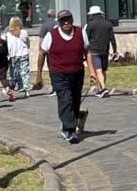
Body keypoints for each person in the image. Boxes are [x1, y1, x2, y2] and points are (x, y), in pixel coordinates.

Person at [35, 8, 95, 143]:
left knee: (74, 100)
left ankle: (67, 124)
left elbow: (87, 52)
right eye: (63, 20)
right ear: (59, 22)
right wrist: (39, 75)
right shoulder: (52, 35)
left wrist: (92, 71)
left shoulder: (81, 33)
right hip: (58, 73)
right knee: (65, 99)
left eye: (68, 19)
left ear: (72, 20)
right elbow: (42, 54)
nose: (66, 23)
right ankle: (70, 130)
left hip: (77, 72)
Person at [84, 4, 118, 97]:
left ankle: (103, 88)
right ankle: (101, 88)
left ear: (92, 15)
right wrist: (115, 50)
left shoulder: (90, 25)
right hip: (105, 50)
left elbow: (85, 38)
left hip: (94, 50)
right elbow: (112, 38)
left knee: (98, 70)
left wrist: (84, 52)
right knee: (103, 70)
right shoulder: (108, 24)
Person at [6, 16, 32, 97]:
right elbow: (28, 43)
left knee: (14, 72)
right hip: (23, 53)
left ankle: (15, 85)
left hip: (13, 54)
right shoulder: (24, 32)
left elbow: (8, 46)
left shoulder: (8, 34)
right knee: (25, 72)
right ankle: (26, 89)